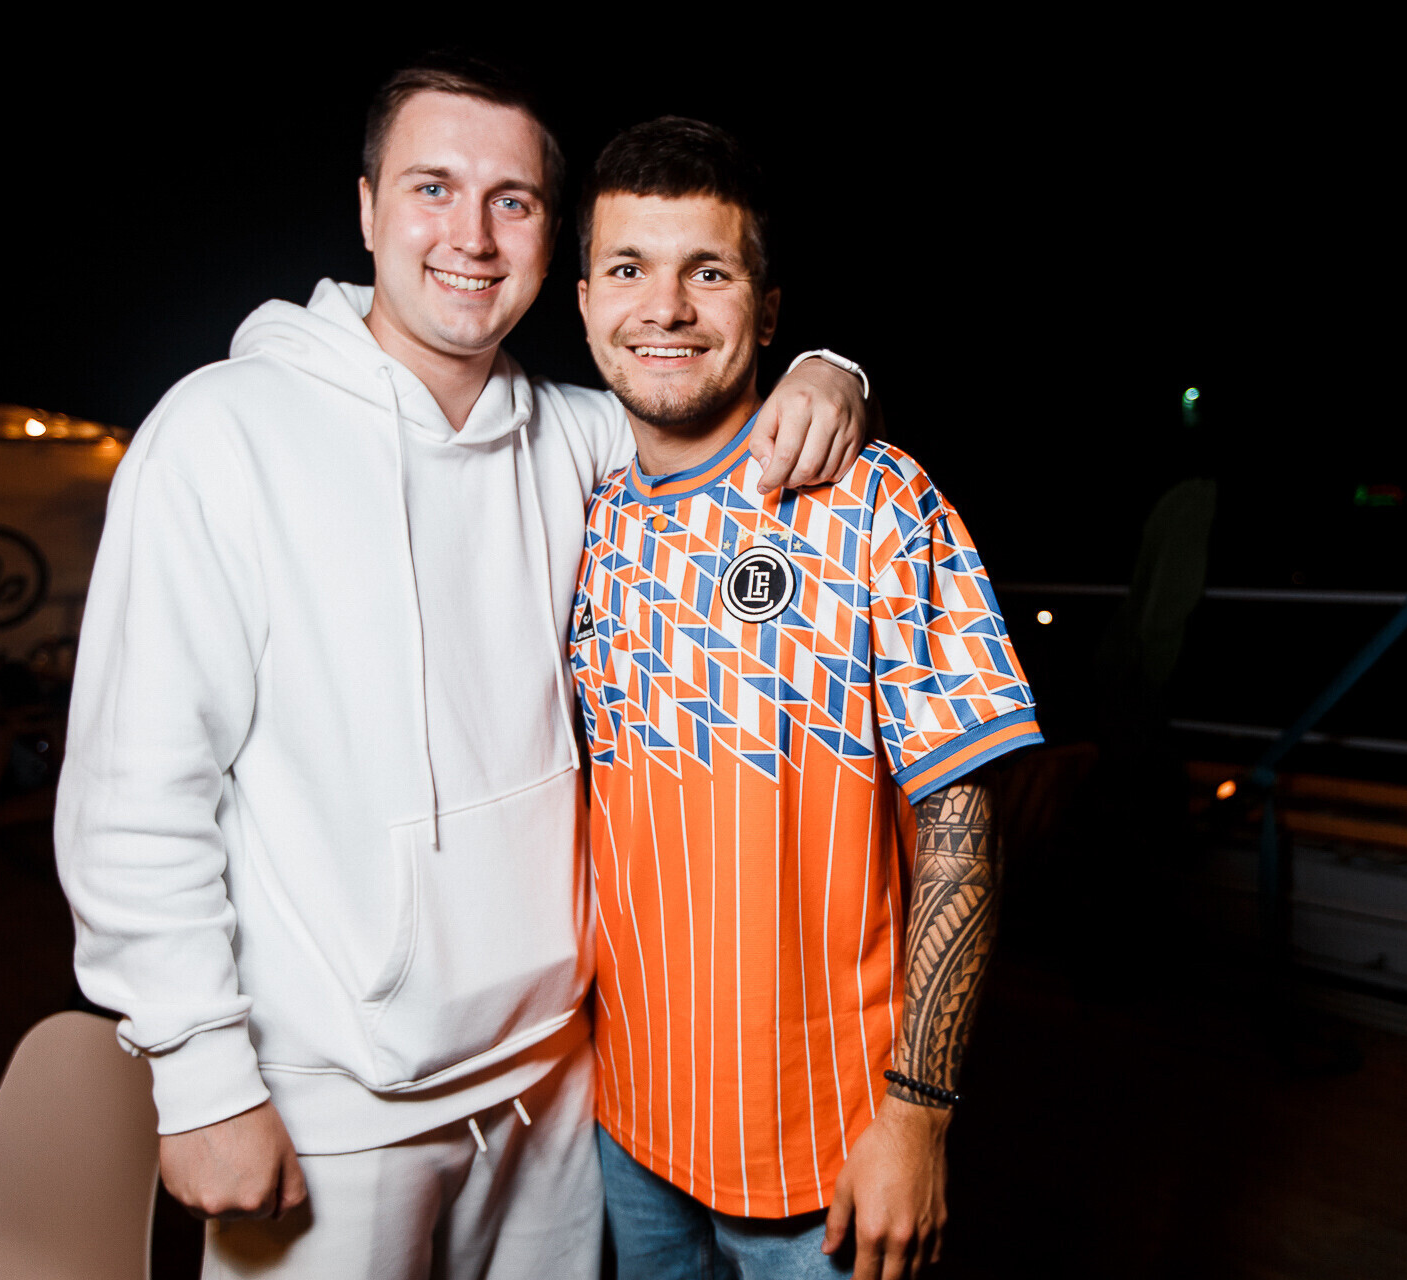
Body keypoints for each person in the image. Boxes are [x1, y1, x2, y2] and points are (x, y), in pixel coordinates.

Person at [54, 55, 870, 1280]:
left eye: (513, 201)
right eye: (433, 187)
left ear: (551, 240)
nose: (473, 236)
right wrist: (199, 1073)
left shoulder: (579, 435)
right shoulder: (220, 433)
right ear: (368, 206)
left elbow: (701, 392)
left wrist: (832, 370)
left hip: (556, 1077)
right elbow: (136, 786)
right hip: (331, 1092)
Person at [568, 118, 1042, 1280]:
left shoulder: (876, 499)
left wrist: (918, 1113)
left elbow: (963, 822)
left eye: (709, 273)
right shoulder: (583, 516)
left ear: (769, 311)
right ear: (583, 302)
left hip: (827, 1155)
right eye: (628, 268)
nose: (665, 307)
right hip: (624, 1123)